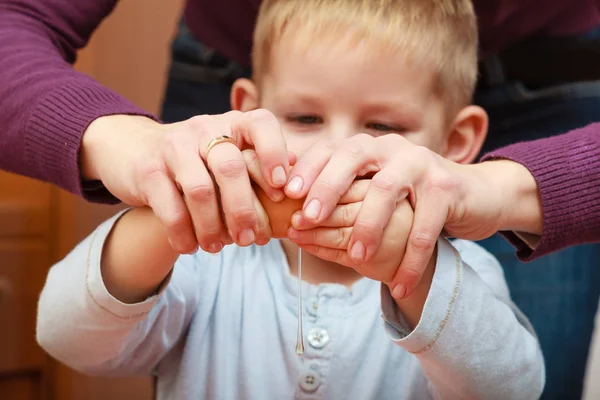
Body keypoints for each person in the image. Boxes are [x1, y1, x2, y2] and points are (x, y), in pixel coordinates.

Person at [0, 0, 598, 397]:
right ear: (244, 113)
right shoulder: (207, 261)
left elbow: (513, 388)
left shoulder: (464, 274)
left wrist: (411, 272)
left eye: (383, 129)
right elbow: (67, 337)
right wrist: (172, 213)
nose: (336, 155)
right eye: (305, 117)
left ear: (457, 143)